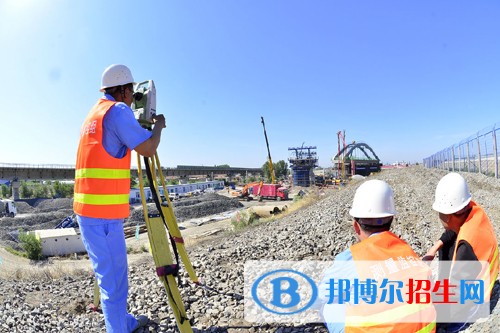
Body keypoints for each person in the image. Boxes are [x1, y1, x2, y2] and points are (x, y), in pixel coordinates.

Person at [74, 64, 166, 333]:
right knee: (112, 282)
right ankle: (118, 328)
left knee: (113, 278)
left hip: (90, 211)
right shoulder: (117, 111)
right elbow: (148, 148)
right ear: (124, 90)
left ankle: (123, 321)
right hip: (102, 214)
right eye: (131, 92)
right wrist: (158, 127)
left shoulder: (94, 113)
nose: (132, 98)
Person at [320, 179, 436, 333]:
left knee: (329, 305)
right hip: (423, 329)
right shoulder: (405, 249)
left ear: (356, 226)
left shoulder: (351, 258)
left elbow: (323, 295)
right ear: (391, 220)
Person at [423, 172, 499, 332]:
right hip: (478, 274)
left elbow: (457, 298)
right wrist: (434, 248)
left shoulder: (466, 247)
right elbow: (453, 230)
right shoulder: (471, 210)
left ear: (449, 216)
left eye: (440, 212)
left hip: (475, 301)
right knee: (447, 243)